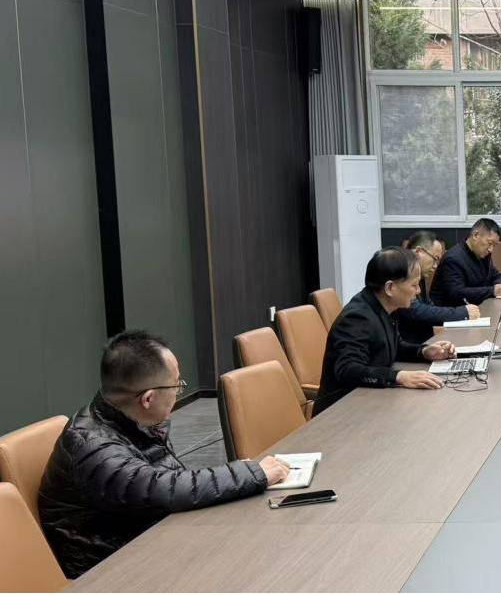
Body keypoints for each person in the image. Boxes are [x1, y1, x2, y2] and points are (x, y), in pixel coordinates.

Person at [38, 331, 290, 578]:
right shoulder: (95, 450)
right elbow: (164, 488)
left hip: (149, 539)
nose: (178, 390)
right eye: (177, 385)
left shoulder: (128, 420)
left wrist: (240, 475)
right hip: (114, 572)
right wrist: (250, 473)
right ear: (148, 399)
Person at [313, 247, 458, 415]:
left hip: (371, 401)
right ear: (390, 288)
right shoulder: (357, 317)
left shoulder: (385, 305)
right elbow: (348, 370)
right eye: (414, 285)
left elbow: (393, 346)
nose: (418, 291)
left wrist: (424, 352)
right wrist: (399, 377)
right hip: (341, 412)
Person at [395, 231, 479, 344]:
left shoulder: (419, 274)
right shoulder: (400, 272)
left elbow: (429, 306)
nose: (435, 266)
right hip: (408, 347)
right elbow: (415, 311)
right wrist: (461, 313)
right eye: (435, 259)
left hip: (423, 344)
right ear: (418, 252)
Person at [431, 218, 501, 306]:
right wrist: (492, 291)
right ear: (475, 235)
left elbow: (498, 276)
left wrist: (499, 286)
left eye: (494, 245)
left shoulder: (482, 255)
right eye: (489, 243)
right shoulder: (453, 259)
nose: (491, 249)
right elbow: (456, 293)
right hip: (451, 311)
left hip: (477, 307)